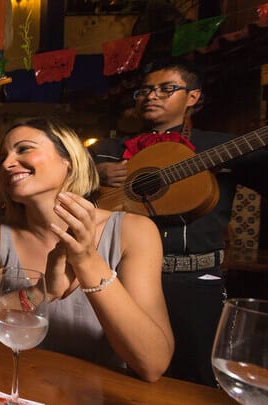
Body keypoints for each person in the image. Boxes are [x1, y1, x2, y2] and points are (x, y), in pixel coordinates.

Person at [0, 118, 174, 382]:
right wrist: (40, 294)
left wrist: (87, 261)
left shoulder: (134, 231)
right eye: (3, 157)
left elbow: (153, 363)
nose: (7, 164)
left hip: (96, 394)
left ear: (69, 161)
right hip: (17, 386)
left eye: (23, 149)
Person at [89, 59, 268, 385]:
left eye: (166, 89)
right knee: (116, 375)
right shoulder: (109, 149)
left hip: (194, 281)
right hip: (118, 282)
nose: (151, 96)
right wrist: (95, 174)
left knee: (195, 378)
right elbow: (68, 184)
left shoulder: (219, 146)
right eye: (144, 90)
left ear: (193, 97)